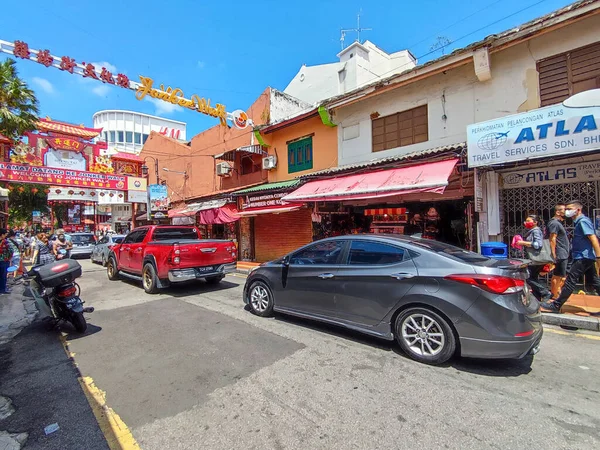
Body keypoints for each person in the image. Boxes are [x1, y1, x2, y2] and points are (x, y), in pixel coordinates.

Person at [542, 201, 600, 313]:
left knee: (570, 281)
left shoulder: (583, 222)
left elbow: (593, 239)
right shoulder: (579, 222)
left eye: (569, 209)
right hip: (584, 257)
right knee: (595, 282)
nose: (567, 211)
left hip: (583, 257)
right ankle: (556, 305)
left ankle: (556, 305)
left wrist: (598, 258)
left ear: (578, 210)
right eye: (566, 209)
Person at [516, 215, 551, 301]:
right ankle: (537, 298)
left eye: (529, 221)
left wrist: (523, 242)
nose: (526, 223)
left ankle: (545, 292)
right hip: (534, 258)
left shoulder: (535, 231)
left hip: (536, 259)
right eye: (526, 221)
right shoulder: (533, 231)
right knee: (533, 277)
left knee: (528, 278)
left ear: (535, 222)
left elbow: (537, 245)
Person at [547, 203, 570, 299]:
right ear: (558, 212)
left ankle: (558, 292)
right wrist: (553, 254)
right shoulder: (554, 223)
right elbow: (552, 239)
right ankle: (554, 295)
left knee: (562, 275)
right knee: (557, 275)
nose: (567, 212)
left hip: (563, 252)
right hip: (559, 253)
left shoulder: (558, 223)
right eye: (565, 210)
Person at [0, 229, 12, 294]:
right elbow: (11, 251)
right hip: (4, 261)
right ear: (2, 235)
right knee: (3, 276)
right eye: (5, 234)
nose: (6, 236)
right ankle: (2, 289)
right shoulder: (6, 242)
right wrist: (8, 258)